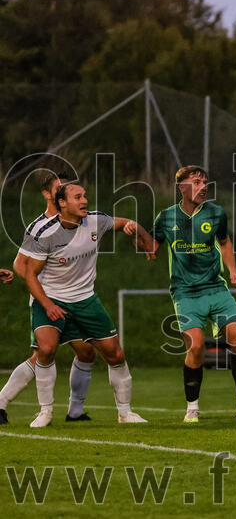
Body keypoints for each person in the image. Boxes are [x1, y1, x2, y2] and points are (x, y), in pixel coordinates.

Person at [17, 182, 153, 427]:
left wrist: (143, 237)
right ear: (62, 203)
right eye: (78, 197)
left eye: (85, 196)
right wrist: (47, 304)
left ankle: (125, 413)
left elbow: (127, 223)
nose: (84, 201)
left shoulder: (96, 221)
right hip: (51, 298)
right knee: (46, 350)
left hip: (85, 299)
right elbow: (30, 274)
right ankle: (45, 412)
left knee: (115, 354)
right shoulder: (46, 232)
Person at [0, 172, 118, 425]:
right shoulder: (39, 227)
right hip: (49, 301)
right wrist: (44, 294)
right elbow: (20, 264)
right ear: (48, 194)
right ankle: (3, 403)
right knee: (44, 353)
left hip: (77, 300)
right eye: (59, 188)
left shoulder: (83, 220)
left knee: (86, 352)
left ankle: (75, 412)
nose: (66, 191)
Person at [151, 165, 236, 423]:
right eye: (197, 181)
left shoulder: (216, 213)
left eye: (205, 182)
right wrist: (140, 239)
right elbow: (151, 246)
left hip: (216, 288)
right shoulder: (166, 217)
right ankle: (192, 408)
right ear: (182, 187)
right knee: (196, 346)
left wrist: (233, 270)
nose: (203, 186)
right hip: (185, 293)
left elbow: (225, 242)